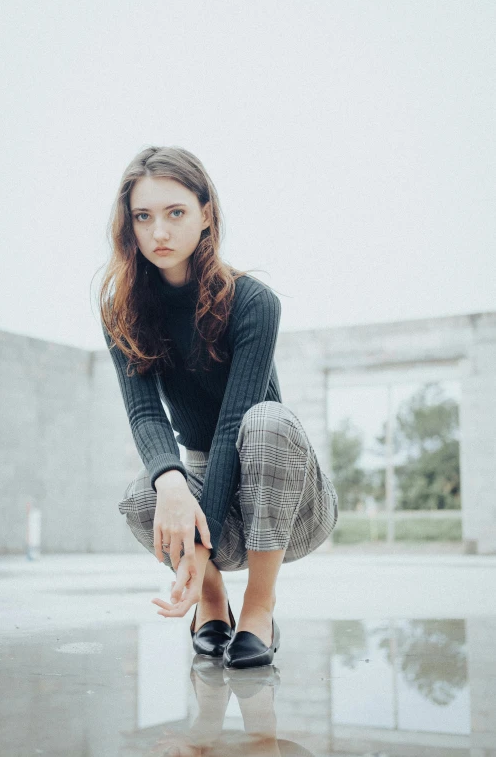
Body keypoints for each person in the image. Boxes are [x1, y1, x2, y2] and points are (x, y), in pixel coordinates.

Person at [99, 145, 339, 668]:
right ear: (129, 225)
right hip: (217, 499)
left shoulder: (252, 302)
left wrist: (199, 544)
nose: (158, 233)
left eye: (175, 213)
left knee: (266, 420)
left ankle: (259, 606)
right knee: (146, 493)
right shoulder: (123, 310)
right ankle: (212, 602)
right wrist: (171, 482)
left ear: (206, 214)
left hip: (285, 500)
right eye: (143, 216)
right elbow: (145, 415)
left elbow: (236, 422)